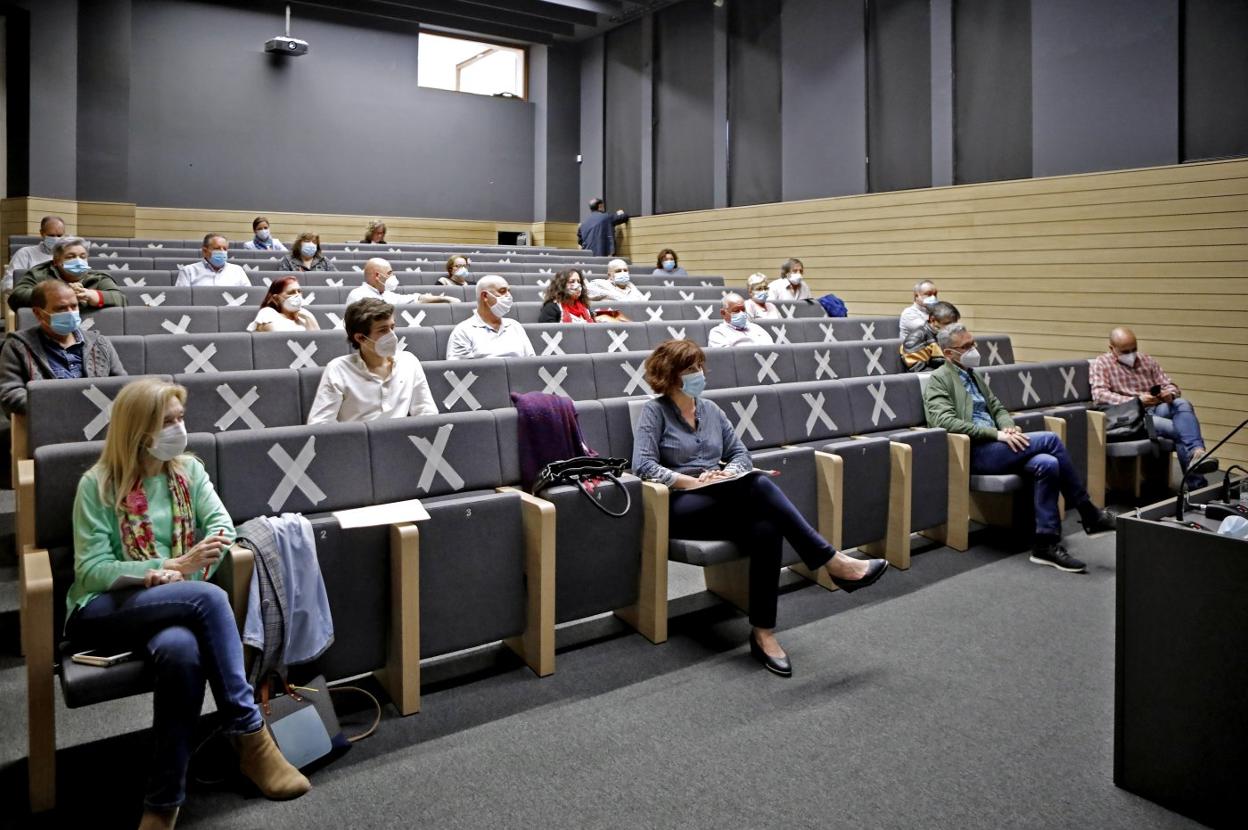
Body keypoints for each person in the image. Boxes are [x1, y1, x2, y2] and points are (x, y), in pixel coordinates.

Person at [67, 379, 310, 828]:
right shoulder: (98, 485)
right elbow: (92, 569)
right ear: (138, 430)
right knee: (209, 598)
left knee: (181, 652)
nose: (179, 429)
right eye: (167, 422)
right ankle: (250, 736)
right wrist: (168, 566)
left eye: (181, 419)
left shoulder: (189, 472)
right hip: (106, 607)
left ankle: (162, 801)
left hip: (177, 602)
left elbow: (219, 525)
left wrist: (184, 569)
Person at [633, 339, 888, 677]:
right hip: (678, 507)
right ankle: (833, 561)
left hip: (720, 496)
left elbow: (741, 455)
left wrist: (728, 473)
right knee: (760, 485)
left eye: (700, 367)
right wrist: (692, 482)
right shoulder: (655, 412)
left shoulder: (712, 411)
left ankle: (763, 633)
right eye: (691, 369)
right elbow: (643, 466)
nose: (700, 374)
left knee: (766, 527)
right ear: (670, 376)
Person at [923, 324, 1117, 573]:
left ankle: (1045, 544)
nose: (974, 350)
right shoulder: (939, 380)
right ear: (948, 353)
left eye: (974, 343)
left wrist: (1009, 427)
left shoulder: (973, 374)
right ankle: (1089, 513)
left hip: (998, 445)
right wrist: (997, 434)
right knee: (1050, 440)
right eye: (966, 346)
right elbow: (943, 421)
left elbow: (998, 408)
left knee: (1048, 463)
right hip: (975, 451)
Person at [1090, 327, 1208, 487]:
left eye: (1134, 349)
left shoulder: (1147, 361)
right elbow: (1099, 395)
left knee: (1182, 403)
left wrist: (1169, 394)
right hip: (1133, 417)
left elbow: (1171, 385)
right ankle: (1197, 483)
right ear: (1112, 348)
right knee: (1180, 431)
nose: (1131, 355)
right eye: (1125, 351)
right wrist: (1137, 401)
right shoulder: (1101, 364)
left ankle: (1197, 452)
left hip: (1156, 407)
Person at [0, 280, 127, 416]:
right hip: (47, 425)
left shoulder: (100, 343)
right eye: (61, 308)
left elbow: (122, 385)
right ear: (38, 313)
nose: (70, 313)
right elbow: (10, 395)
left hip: (100, 421)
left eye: (74, 306)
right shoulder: (17, 345)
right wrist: (63, 408)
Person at [307, 298, 436, 423]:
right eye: (383, 330)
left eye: (392, 327)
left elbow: (427, 412)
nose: (392, 335)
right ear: (360, 338)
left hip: (400, 441)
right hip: (356, 443)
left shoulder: (409, 362)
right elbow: (320, 424)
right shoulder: (337, 370)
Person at [8, 237, 125, 312]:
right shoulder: (39, 273)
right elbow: (16, 297)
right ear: (56, 261)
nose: (78, 261)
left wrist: (92, 295)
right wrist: (59, 293)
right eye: (71, 257)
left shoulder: (97, 278)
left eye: (83, 256)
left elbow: (121, 299)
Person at [446, 275, 535, 360]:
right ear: (485, 296)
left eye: (509, 291)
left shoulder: (515, 326)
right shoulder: (463, 331)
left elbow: (531, 362)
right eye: (502, 291)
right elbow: (460, 372)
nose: (509, 296)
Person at [346, 257, 456, 307]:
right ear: (377, 276)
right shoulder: (358, 295)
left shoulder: (386, 294)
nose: (393, 276)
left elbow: (415, 298)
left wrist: (444, 298)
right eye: (389, 273)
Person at [4, 215, 65, 289]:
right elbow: (8, 283)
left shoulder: (69, 255)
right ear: (42, 233)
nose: (56, 239)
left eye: (59, 235)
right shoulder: (25, 254)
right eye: (51, 235)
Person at [900, 300, 959, 372]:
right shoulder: (915, 339)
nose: (952, 328)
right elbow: (919, 370)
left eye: (954, 324)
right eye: (947, 324)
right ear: (933, 320)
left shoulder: (948, 335)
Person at [175, 234, 251, 287]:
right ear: (205, 251)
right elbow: (181, 299)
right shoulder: (188, 271)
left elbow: (248, 296)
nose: (222, 252)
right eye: (217, 248)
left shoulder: (237, 270)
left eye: (225, 249)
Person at [246, 277, 320, 332]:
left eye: (299, 291)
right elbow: (279, 339)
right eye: (291, 293)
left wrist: (309, 317)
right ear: (276, 299)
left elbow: (318, 341)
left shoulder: (304, 315)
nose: (298, 296)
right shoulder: (268, 312)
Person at [707, 293, 775, 348]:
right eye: (736, 311)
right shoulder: (717, 333)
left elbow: (772, 349)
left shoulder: (756, 328)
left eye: (743, 310)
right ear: (723, 313)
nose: (741, 314)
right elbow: (726, 358)